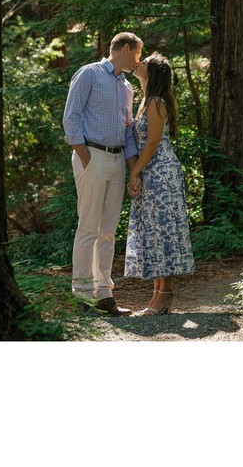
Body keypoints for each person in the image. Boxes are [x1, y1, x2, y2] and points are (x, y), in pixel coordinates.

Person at [62, 32, 142, 316]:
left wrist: (133, 170)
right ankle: (82, 296)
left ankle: (104, 295)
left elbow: (128, 131)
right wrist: (86, 158)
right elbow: (70, 119)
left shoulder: (127, 88)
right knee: (88, 228)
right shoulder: (89, 74)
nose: (138, 60)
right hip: (91, 156)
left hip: (118, 159)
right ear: (124, 48)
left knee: (107, 231)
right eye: (136, 54)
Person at [124, 52, 195, 315]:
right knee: (154, 232)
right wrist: (137, 172)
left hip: (161, 173)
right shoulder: (146, 101)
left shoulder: (156, 102)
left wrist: (135, 173)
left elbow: (153, 143)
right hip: (150, 171)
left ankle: (165, 295)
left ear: (152, 72)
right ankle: (157, 295)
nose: (137, 63)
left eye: (143, 63)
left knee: (162, 230)